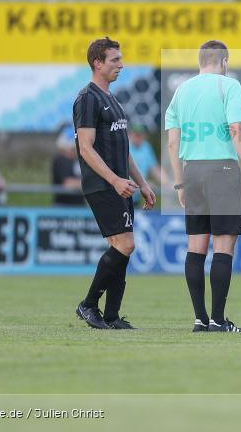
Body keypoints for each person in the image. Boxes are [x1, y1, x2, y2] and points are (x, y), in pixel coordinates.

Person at [165, 40, 241, 333]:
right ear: (224, 61)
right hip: (222, 169)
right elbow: (236, 129)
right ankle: (218, 319)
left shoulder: (182, 90)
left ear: (200, 61)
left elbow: (172, 140)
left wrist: (179, 181)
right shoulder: (228, 86)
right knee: (224, 246)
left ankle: (200, 318)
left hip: (191, 171)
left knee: (196, 247)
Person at [74, 37, 156, 330]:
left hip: (120, 184)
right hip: (102, 184)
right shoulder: (88, 98)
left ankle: (111, 315)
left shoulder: (113, 99)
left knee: (122, 247)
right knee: (125, 244)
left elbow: (124, 150)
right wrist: (113, 179)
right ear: (97, 63)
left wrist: (142, 183)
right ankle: (88, 305)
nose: (121, 65)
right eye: (115, 60)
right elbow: (85, 147)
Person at [128, 124, 165, 204]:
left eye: (141, 135)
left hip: (135, 197)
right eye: (136, 135)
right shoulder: (125, 146)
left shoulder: (146, 147)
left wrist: (169, 184)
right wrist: (144, 183)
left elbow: (155, 169)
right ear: (130, 135)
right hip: (122, 194)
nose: (139, 138)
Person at [52, 127, 84, 206]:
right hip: (64, 207)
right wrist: (89, 183)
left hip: (79, 205)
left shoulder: (77, 160)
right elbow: (68, 184)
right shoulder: (60, 161)